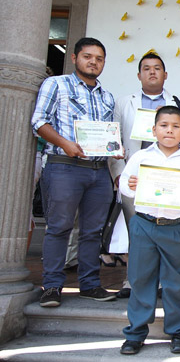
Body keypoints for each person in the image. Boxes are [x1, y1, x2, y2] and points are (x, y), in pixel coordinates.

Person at [31, 37, 118, 307]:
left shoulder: (107, 97)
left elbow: (108, 136)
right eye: (88, 56)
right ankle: (53, 286)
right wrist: (65, 143)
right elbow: (39, 121)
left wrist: (115, 148)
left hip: (98, 170)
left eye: (99, 58)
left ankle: (90, 284)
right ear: (75, 58)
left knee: (93, 231)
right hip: (63, 168)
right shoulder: (56, 84)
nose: (93, 62)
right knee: (58, 228)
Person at [118, 106, 180, 355]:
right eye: (164, 125)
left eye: (176, 126)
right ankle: (135, 333)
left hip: (176, 227)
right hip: (144, 224)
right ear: (153, 129)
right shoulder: (142, 157)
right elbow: (125, 185)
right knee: (140, 278)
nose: (169, 130)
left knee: (176, 281)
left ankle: (177, 331)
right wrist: (131, 185)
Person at [108, 52, 180, 298]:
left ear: (166, 75)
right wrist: (118, 174)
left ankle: (160, 282)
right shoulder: (123, 102)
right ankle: (132, 281)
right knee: (133, 229)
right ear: (139, 75)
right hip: (133, 174)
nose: (152, 72)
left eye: (157, 68)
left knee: (161, 227)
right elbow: (115, 139)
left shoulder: (175, 102)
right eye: (147, 68)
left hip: (165, 174)